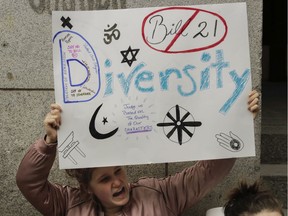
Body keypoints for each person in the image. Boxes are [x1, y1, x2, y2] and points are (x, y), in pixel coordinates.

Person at [16, 90, 260, 216]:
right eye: (104, 178)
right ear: (87, 187)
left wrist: (236, 121)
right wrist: (49, 141)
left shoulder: (160, 194)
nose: (117, 181)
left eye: (118, 171)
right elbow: (29, 183)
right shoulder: (68, 204)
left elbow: (209, 172)